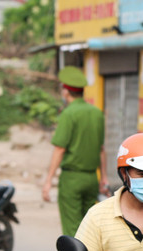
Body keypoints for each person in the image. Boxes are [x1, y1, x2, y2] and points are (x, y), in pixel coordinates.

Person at [41, 66, 109, 239]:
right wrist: (104, 178)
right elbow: (102, 149)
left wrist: (48, 180)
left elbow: (59, 148)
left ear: (66, 92)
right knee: (89, 229)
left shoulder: (68, 113)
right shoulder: (96, 113)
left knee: (73, 231)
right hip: (91, 179)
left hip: (72, 179)